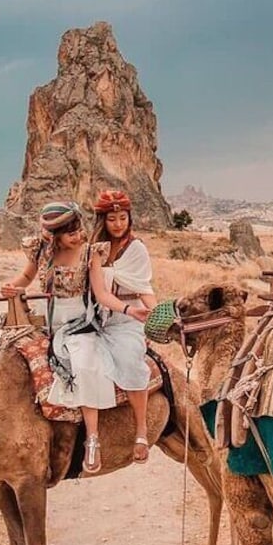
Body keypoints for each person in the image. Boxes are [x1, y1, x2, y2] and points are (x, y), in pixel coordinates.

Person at [0, 201, 149, 473]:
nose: (79, 236)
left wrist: (130, 309)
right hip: (47, 320)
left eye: (80, 230)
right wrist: (11, 287)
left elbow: (102, 295)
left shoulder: (90, 254)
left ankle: (92, 439)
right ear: (55, 236)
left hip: (80, 323)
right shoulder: (41, 252)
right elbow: (25, 277)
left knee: (86, 363)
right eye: (71, 233)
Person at [89, 189, 158, 464]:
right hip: (95, 316)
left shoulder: (136, 248)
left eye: (122, 218)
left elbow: (144, 287)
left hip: (129, 318)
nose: (118, 224)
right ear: (102, 221)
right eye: (112, 219)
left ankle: (141, 428)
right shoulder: (94, 249)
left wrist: (155, 313)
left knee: (130, 359)